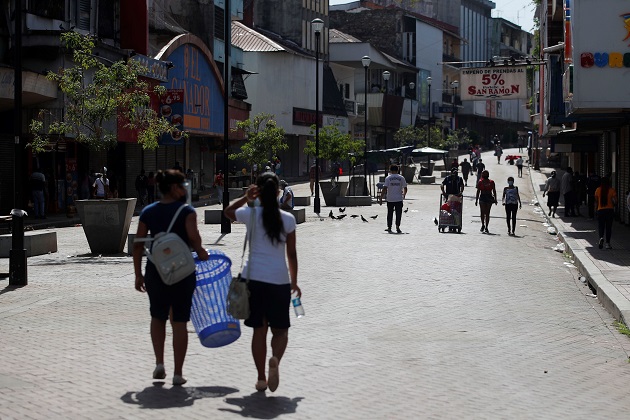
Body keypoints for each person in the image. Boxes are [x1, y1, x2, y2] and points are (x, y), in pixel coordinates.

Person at [224, 172, 299, 393]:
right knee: (281, 331)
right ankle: (275, 359)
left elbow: (227, 212)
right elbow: (292, 255)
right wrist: (294, 282)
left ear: (257, 190)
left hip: (253, 279)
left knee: (259, 330)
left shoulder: (250, 213)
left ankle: (260, 379)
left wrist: (245, 197)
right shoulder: (288, 219)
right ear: (278, 192)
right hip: (279, 281)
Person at [133, 169, 209, 386]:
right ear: (175, 188)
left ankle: (159, 363)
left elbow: (138, 246)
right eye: (182, 185)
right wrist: (203, 253)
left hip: (156, 271)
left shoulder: (148, 212)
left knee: (157, 317)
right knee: (179, 321)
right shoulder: (187, 212)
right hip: (183, 272)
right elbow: (195, 241)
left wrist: (138, 274)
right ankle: (177, 373)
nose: (184, 188)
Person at [379, 164, 407, 234]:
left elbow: (385, 188)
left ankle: (389, 227)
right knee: (398, 213)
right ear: (397, 170)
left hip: (390, 198)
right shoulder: (401, 178)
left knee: (390, 213)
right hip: (399, 199)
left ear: (390, 170)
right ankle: (397, 227)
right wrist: (404, 195)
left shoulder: (388, 178)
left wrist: (381, 198)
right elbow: (405, 188)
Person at [594, 177, 617, 249]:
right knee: (608, 227)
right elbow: (615, 201)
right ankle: (607, 243)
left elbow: (596, 201)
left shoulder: (598, 190)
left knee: (601, 226)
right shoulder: (612, 190)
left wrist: (595, 210)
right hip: (609, 211)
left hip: (600, 210)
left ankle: (601, 237)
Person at [475, 169, 497, 233]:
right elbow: (478, 191)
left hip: (489, 198)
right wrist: (476, 199)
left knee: (487, 213)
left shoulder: (491, 182)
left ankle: (486, 226)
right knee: (482, 212)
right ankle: (483, 224)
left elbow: (494, 191)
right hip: (482, 197)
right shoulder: (480, 182)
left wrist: (495, 199)